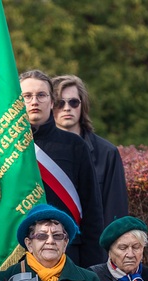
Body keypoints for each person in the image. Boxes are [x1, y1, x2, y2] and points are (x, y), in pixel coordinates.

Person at [20, 70, 105, 268]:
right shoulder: (4, 149)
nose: (34, 101)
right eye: (27, 96)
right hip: (18, 256)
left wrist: (93, 266)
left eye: (41, 95)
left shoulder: (74, 145)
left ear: (51, 102)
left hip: (69, 255)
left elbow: (92, 210)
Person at [52, 74, 129, 225]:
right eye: (60, 103)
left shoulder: (107, 153)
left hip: (93, 244)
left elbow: (116, 211)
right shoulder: (36, 153)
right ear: (50, 105)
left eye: (73, 102)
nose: (67, 108)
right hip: (49, 242)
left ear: (83, 105)